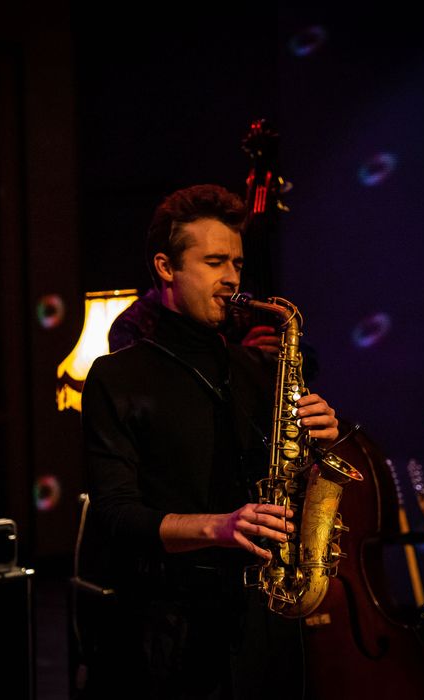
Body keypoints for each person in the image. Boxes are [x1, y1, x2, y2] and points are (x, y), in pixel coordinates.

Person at [80, 184, 340, 699]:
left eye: (237, 264)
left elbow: (288, 476)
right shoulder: (116, 376)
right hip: (169, 632)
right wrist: (218, 527)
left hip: (264, 622)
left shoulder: (260, 369)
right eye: (214, 262)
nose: (232, 278)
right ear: (165, 267)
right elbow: (114, 515)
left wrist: (321, 439)